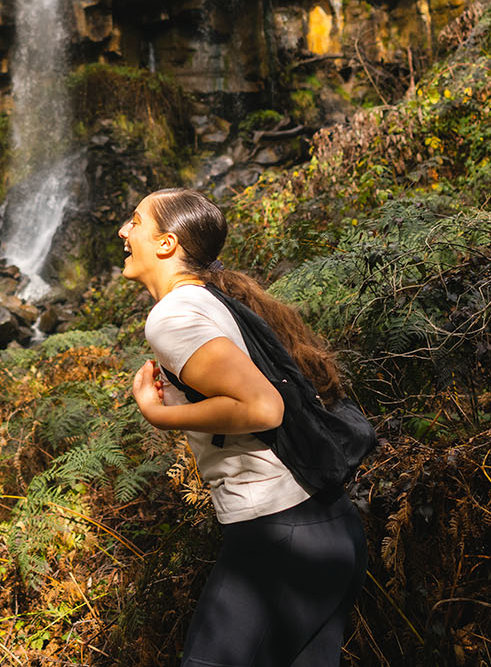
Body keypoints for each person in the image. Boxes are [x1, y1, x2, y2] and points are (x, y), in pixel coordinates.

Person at [120, 187, 366, 667]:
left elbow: (262, 407)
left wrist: (159, 413)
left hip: (281, 538)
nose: (124, 232)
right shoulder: (211, 300)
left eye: (135, 221)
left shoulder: (173, 315)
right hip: (327, 527)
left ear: (167, 244)